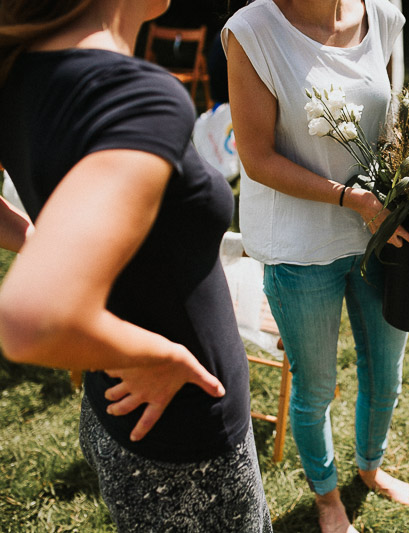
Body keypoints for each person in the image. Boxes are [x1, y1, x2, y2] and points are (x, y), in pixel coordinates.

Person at [0, 1, 272, 531]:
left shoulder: (17, 65)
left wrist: (43, 241)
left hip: (118, 411)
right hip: (185, 436)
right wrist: (161, 356)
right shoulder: (134, 95)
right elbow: (28, 322)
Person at [223, 0, 409, 531]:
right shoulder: (253, 30)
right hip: (299, 247)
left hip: (382, 238)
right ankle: (328, 497)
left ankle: (370, 467)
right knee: (315, 388)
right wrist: (351, 199)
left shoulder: (381, 14)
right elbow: (256, 156)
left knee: (386, 375)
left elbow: (392, 120)